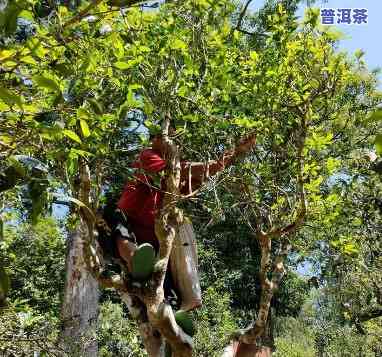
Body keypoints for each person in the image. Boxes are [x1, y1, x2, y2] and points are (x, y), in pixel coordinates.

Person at [109, 131, 257, 311]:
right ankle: (135, 260)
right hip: (129, 223)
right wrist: (224, 158)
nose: (171, 144)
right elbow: (181, 170)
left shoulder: (175, 181)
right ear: (155, 141)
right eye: (166, 139)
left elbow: (196, 176)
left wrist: (233, 154)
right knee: (116, 223)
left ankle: (182, 301)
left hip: (154, 239)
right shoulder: (147, 156)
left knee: (180, 223)